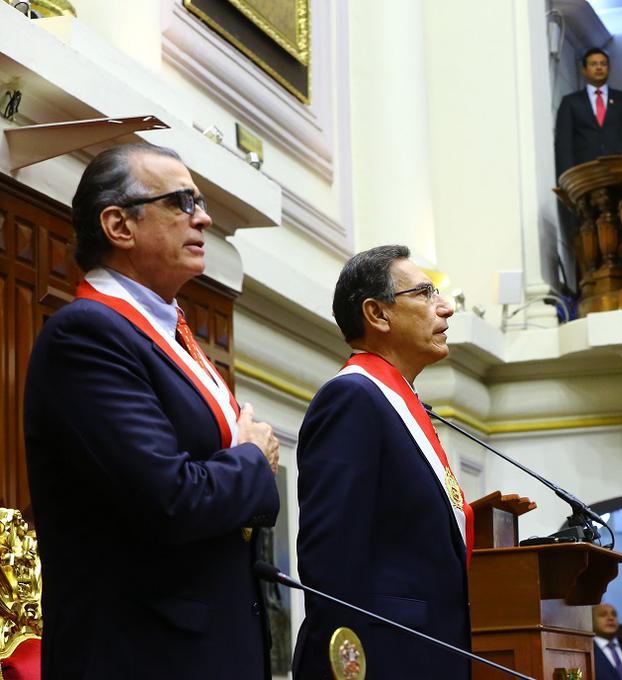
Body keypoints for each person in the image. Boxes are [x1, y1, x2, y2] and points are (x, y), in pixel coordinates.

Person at [23, 142, 281, 678]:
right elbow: (171, 498)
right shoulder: (87, 335)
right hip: (145, 655)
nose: (204, 217)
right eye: (183, 202)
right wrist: (253, 458)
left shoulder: (168, 334)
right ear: (120, 226)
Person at [293, 245, 470, 679]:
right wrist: (346, 664)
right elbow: (330, 555)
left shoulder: (399, 403)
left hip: (430, 654)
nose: (445, 308)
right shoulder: (353, 397)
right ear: (377, 314)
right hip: (387, 659)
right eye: (426, 293)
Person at [554, 48, 622, 178]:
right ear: (584, 70)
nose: (599, 68)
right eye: (593, 64)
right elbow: (564, 143)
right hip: (585, 171)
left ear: (609, 68)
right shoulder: (571, 102)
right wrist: (567, 177)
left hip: (620, 169)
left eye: (603, 64)